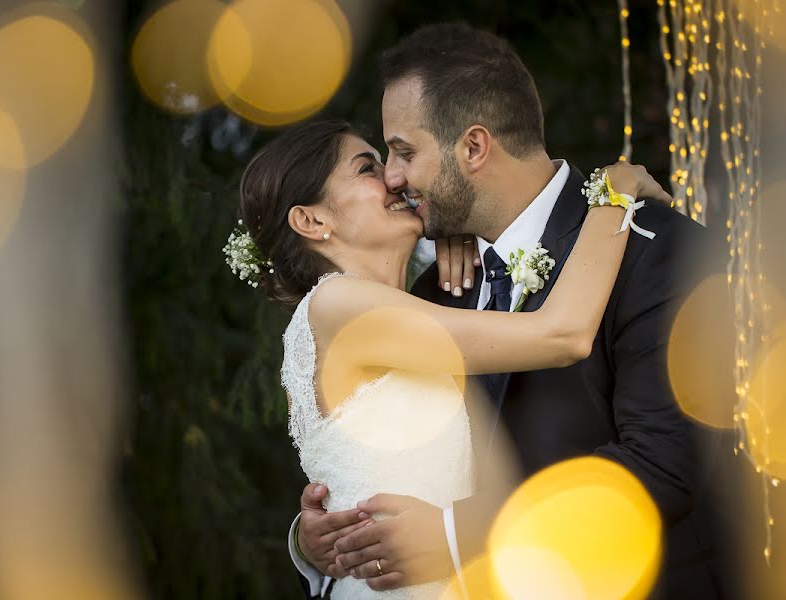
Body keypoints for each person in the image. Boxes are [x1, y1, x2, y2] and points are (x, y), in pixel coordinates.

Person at [282, 23, 724, 600]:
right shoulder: (437, 291)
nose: (393, 177)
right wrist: (318, 540)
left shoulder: (657, 246)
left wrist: (454, 535)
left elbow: (664, 465)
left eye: (404, 152)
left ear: (473, 147)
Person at [228, 113, 671, 597]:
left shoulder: (423, 302)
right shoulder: (340, 307)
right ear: (312, 220)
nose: (395, 179)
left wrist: (458, 231)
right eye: (367, 169)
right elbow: (561, 333)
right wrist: (611, 192)